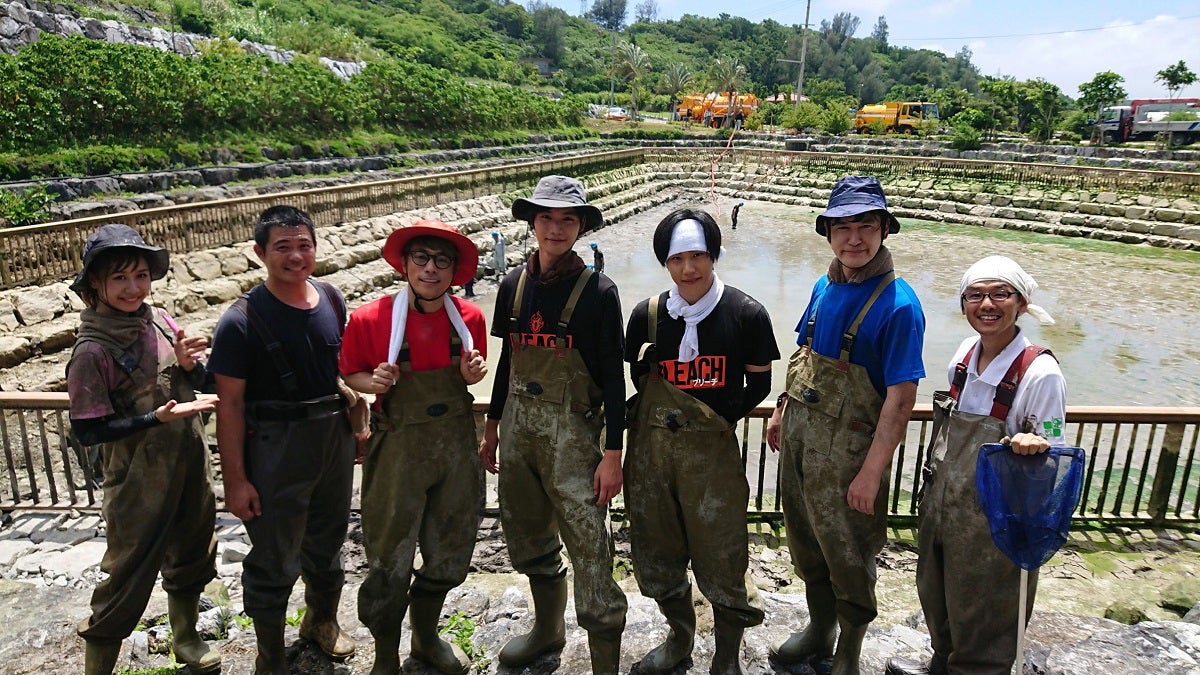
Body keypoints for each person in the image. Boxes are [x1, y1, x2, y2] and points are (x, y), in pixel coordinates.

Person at [766, 176, 926, 675]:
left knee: (850, 553)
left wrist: (871, 473)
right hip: (800, 441)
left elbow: (900, 400)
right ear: (828, 232)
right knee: (806, 542)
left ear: (884, 231)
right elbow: (805, 353)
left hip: (850, 458)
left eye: (866, 226)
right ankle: (819, 628)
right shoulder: (823, 285)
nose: (854, 238)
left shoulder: (899, 305)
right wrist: (779, 408)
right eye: (843, 227)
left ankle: (849, 650)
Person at [885, 256, 1065, 675]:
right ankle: (943, 662)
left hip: (997, 519)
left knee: (987, 610)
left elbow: (1053, 456)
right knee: (938, 592)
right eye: (975, 295)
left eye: (1000, 294)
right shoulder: (965, 354)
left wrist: (1034, 446)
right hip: (945, 504)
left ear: (1021, 303)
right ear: (963, 304)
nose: (987, 304)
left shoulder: (1039, 372)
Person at [478, 175, 628, 674]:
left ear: (581, 225)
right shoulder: (511, 285)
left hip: (575, 441)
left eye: (567, 219)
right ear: (532, 222)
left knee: (589, 549)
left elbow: (612, 377)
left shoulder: (599, 292)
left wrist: (613, 452)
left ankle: (604, 655)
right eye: (546, 217)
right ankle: (547, 629)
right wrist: (493, 424)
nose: (556, 228)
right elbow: (507, 362)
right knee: (530, 539)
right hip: (519, 436)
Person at [209, 205, 365, 675]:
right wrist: (235, 480)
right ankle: (270, 655)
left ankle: (322, 622)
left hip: (331, 441)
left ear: (316, 249)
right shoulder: (239, 322)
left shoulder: (332, 298)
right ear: (260, 253)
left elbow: (345, 373)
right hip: (275, 447)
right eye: (283, 247)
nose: (296, 256)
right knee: (275, 557)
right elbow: (229, 406)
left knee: (328, 540)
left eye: (304, 245)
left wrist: (358, 425)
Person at [624, 209, 779, 675]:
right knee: (657, 552)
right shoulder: (648, 317)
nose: (688, 269)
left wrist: (713, 421)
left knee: (724, 555)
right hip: (652, 461)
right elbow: (638, 379)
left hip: (713, 460)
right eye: (677, 259)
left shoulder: (746, 314)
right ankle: (679, 639)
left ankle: (726, 657)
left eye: (698, 256)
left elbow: (759, 386)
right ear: (664, 263)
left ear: (714, 255)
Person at [67, 224, 221, 675]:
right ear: (95, 283)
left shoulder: (159, 321)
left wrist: (191, 365)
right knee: (127, 573)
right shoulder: (91, 352)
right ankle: (98, 666)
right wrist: (155, 419)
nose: (133, 288)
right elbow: (89, 431)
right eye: (120, 279)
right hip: (136, 479)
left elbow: (199, 382)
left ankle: (187, 637)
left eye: (140, 275)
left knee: (195, 549)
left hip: (189, 461)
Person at [339, 220, 489, 675]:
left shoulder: (469, 319)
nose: (430, 269)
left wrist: (473, 374)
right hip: (398, 447)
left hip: (457, 449)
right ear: (403, 264)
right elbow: (351, 373)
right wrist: (373, 381)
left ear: (454, 271)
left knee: (451, 550)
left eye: (442, 261)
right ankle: (386, 655)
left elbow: (473, 371)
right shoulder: (370, 319)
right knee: (388, 557)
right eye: (421, 258)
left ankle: (425, 637)